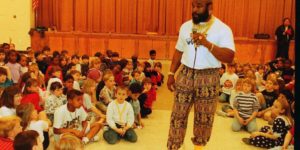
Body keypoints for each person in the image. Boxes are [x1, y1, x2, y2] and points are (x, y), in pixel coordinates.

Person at [166, 0, 235, 149]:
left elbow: (229, 56)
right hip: (185, 73)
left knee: (204, 118)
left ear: (209, 8)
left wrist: (207, 44)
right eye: (193, 6)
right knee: (178, 114)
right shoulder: (185, 27)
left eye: (199, 6)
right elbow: (179, 50)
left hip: (209, 76)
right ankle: (174, 146)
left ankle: (199, 147)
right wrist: (171, 73)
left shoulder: (222, 29)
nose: (195, 10)